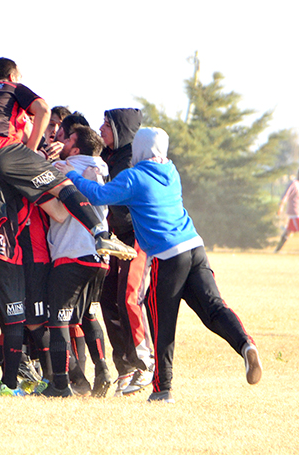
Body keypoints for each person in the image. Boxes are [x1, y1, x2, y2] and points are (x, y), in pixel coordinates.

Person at [58, 127, 263, 403]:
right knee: (213, 308)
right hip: (195, 247)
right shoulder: (172, 171)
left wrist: (68, 174)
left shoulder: (135, 177)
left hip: (167, 258)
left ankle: (162, 389)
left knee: (161, 323)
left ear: (140, 150)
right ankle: (245, 344)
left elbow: (96, 195)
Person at [0, 57, 136, 344]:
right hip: (4, 150)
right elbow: (43, 109)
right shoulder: (10, 89)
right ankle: (100, 232)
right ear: (11, 75)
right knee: (62, 184)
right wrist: (29, 151)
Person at [43, 125, 112, 397]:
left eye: (66, 138)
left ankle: (59, 384)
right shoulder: (102, 168)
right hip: (100, 257)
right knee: (88, 314)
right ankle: (103, 368)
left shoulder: (64, 166)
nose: (60, 140)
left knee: (58, 319)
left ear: (76, 147)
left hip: (72, 252)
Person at [97, 108, 155, 396]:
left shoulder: (133, 159)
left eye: (106, 124)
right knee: (108, 298)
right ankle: (125, 367)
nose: (101, 128)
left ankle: (146, 363)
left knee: (130, 296)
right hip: (116, 239)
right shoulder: (107, 155)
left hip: (139, 236)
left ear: (120, 129)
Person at [274, 169, 299, 253]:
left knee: (288, 232)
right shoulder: (294, 184)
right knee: (289, 231)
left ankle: (277, 250)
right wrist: (280, 207)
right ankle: (277, 250)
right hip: (296, 213)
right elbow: (285, 195)